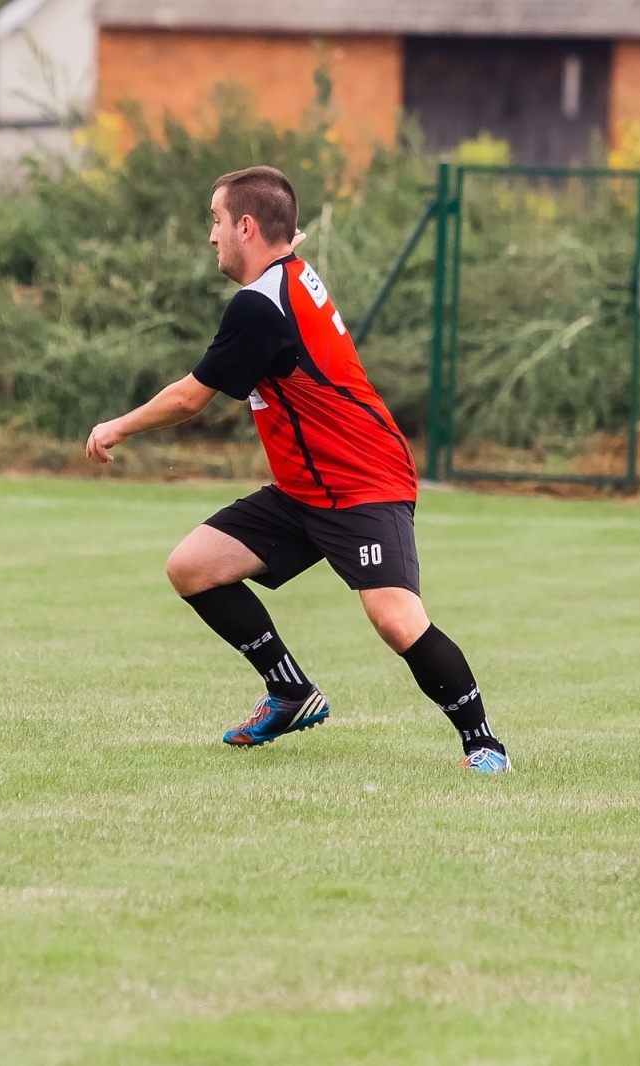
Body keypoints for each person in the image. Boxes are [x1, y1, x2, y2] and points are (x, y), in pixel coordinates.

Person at [84, 165, 509, 772]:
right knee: (194, 568)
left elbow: (189, 399)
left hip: (365, 481)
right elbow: (285, 257)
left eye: (217, 220)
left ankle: (485, 745)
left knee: (394, 618)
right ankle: (290, 692)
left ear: (247, 227)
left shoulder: (259, 307)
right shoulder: (289, 275)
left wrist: (116, 427)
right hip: (305, 488)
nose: (212, 235)